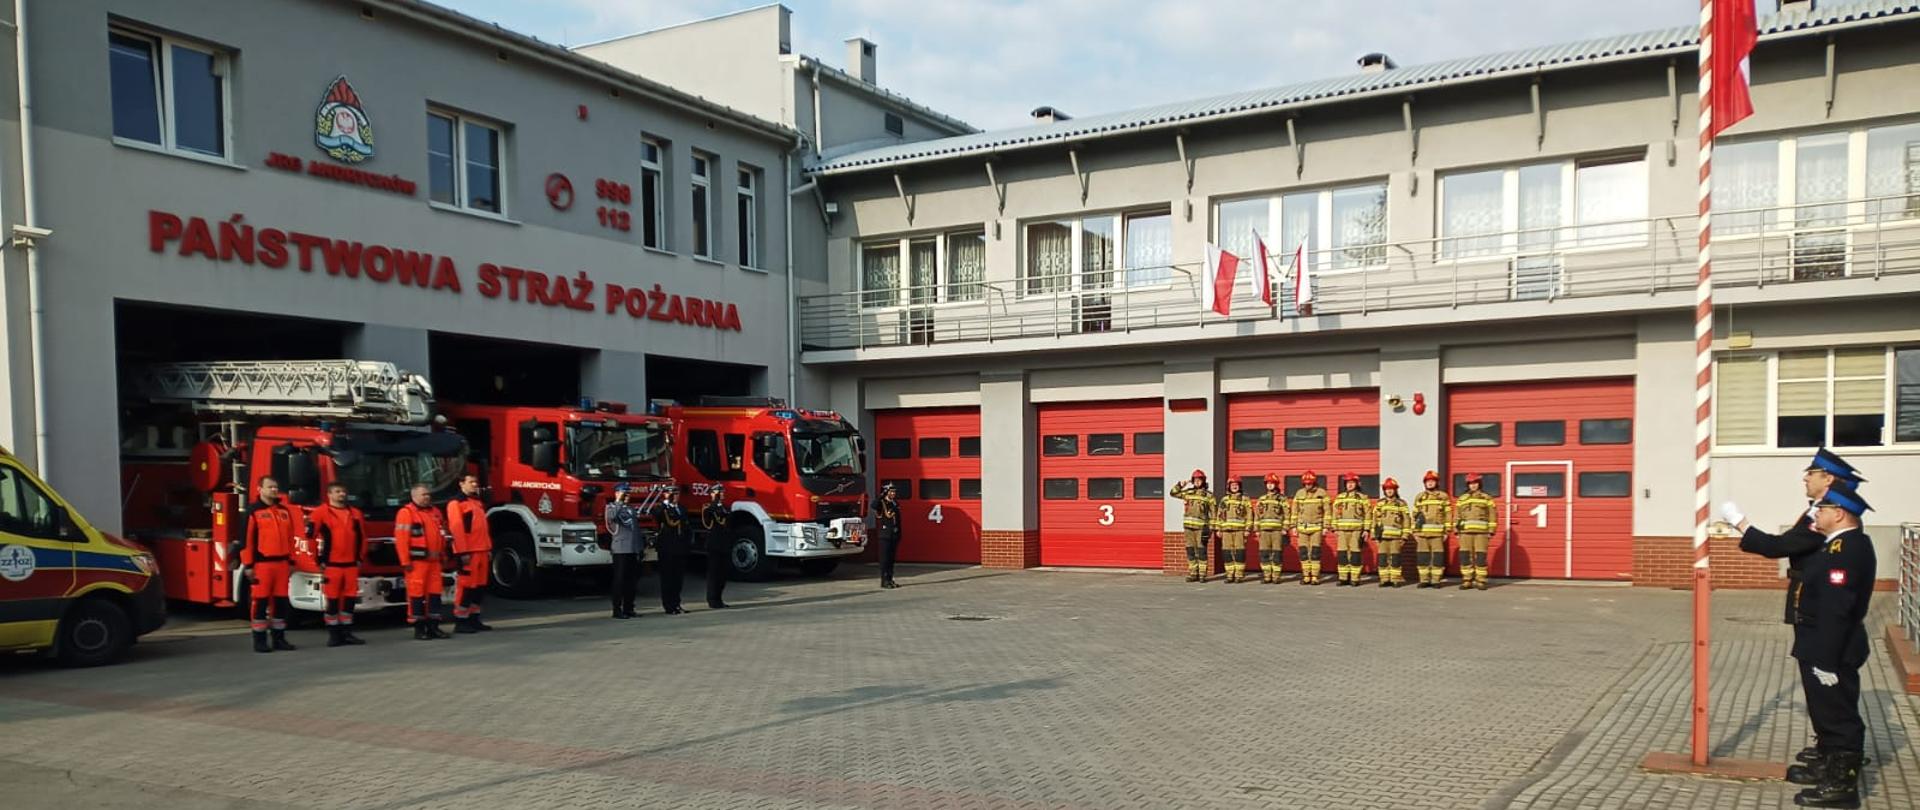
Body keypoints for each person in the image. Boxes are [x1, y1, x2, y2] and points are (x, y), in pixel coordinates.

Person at [1724, 447, 1868, 784]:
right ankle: (1831, 754)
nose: (1805, 478)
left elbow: (1780, 546)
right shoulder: (1822, 516)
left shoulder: (1834, 524)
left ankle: (1840, 764)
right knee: (1822, 694)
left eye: (1811, 473)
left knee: (1830, 695)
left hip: (1821, 616)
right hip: (1814, 612)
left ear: (1828, 479)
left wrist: (1740, 524)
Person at [1745, 484, 1875, 808]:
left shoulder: (1847, 549)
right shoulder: (1833, 546)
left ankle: (1841, 787)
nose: (1816, 513)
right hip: (1819, 643)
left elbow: (1837, 609)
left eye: (1822, 509)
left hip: (1833, 647)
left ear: (1839, 513)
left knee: (1838, 716)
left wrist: (1827, 660)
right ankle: (1827, 768)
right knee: (1824, 711)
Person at [242, 477, 303, 653]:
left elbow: (291, 539)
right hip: (262, 565)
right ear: (259, 489)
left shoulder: (284, 512)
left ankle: (279, 639)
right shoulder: (253, 512)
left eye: (276, 487)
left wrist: (292, 561)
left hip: (283, 564)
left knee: (281, 603)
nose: (274, 490)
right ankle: (259, 641)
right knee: (260, 603)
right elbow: (247, 541)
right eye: (270, 487)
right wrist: (248, 565)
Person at [306, 482, 367, 647]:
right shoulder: (320, 513)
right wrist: (317, 560)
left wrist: (360, 557)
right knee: (332, 601)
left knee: (349, 601)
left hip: (351, 565)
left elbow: (362, 537)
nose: (342, 494)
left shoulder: (355, 514)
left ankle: (347, 633)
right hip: (332, 565)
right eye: (338, 492)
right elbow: (310, 537)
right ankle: (334, 635)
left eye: (344, 491)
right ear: (329, 495)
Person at [394, 483, 452, 640]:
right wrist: (405, 561)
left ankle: (434, 627)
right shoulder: (406, 513)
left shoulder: (435, 512)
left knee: (434, 595)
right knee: (416, 595)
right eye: (423, 495)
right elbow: (401, 540)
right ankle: (419, 629)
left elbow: (442, 535)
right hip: (416, 563)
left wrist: (443, 555)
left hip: (434, 563)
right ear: (414, 497)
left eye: (428, 494)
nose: (427, 497)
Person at [446, 473, 493, 633]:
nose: (474, 484)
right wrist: (462, 552)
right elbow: (457, 530)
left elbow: (483, 529)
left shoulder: (477, 502)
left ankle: (474, 619)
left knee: (479, 588)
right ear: (461, 484)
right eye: (471, 482)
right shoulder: (456, 503)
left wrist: (488, 548)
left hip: (481, 551)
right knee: (466, 587)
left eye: (475, 482)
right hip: (469, 552)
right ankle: (461, 621)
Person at [650, 486, 691, 613]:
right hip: (667, 548)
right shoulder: (662, 508)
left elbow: (686, 527)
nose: (676, 496)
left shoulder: (681, 508)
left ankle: (677, 603)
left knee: (678, 578)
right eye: (673, 493)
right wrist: (665, 502)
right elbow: (655, 514)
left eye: (677, 493)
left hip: (679, 547)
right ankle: (669, 606)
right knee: (667, 578)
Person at [1169, 470, 1215, 582]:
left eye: (1200, 480)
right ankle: (1193, 573)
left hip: (1201, 528)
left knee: (1201, 551)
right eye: (1195, 480)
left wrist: (1212, 528)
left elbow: (1213, 513)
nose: (1197, 482)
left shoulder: (1209, 495)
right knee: (1190, 551)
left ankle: (1202, 574)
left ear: (1203, 481)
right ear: (1193, 481)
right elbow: (1173, 493)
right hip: (1188, 527)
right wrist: (1181, 485)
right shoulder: (1188, 493)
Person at [1454, 473, 1498, 591]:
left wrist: (1491, 531)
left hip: (1481, 533)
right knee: (1465, 557)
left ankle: (1481, 580)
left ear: (1479, 484)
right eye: (1471, 484)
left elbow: (1492, 515)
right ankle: (1467, 580)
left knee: (1480, 557)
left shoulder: (1486, 498)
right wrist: (1456, 530)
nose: (1473, 486)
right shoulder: (1462, 499)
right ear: (1468, 485)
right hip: (1465, 533)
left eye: (1475, 483)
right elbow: (1457, 515)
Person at [605, 484, 642, 619]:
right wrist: (619, 501)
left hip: (632, 548)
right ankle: (617, 609)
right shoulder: (611, 507)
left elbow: (635, 530)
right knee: (619, 580)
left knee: (631, 580)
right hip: (620, 548)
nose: (627, 496)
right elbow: (612, 518)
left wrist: (639, 547)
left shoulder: (631, 509)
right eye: (624, 493)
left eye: (628, 494)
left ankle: (629, 608)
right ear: (617, 493)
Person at [1411, 471, 1453, 588]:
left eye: (1432, 481)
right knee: (1422, 557)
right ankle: (1424, 580)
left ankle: (1436, 580)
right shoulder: (1419, 497)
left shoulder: (1443, 496)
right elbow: (1414, 515)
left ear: (1436, 482)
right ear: (1425, 483)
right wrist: (1414, 531)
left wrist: (1447, 531)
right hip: (1422, 534)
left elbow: (1448, 514)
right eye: (1428, 481)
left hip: (1437, 534)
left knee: (1437, 557)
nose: (1430, 483)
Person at [1330, 473, 1371, 586]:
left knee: (1355, 554)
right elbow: (1334, 514)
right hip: (1342, 530)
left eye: (1352, 483)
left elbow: (1367, 514)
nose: (1350, 485)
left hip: (1356, 530)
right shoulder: (1340, 497)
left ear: (1357, 484)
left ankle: (1354, 578)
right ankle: (1343, 578)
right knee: (1342, 554)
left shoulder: (1363, 498)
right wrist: (1335, 528)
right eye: (1348, 483)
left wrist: (1366, 530)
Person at [1290, 471, 1330, 585]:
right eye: (1306, 483)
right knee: (1303, 553)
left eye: (1310, 483)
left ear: (1314, 482)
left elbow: (1327, 511)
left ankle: (1315, 576)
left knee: (1315, 553)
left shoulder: (1322, 493)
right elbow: (1295, 511)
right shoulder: (1299, 493)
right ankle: (1306, 575)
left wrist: (1326, 526)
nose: (1308, 485)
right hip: (1302, 528)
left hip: (1316, 528)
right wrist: (1293, 526)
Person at [1371, 478, 1411, 588]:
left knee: (1395, 558)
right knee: (1383, 558)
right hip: (1382, 537)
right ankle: (1384, 579)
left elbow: (1407, 520)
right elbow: (1374, 519)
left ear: (1395, 490)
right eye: (1387, 489)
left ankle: (1395, 579)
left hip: (1396, 537)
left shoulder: (1401, 504)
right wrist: (1374, 536)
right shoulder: (1380, 503)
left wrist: (1405, 536)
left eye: (1392, 489)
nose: (1389, 491)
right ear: (1384, 491)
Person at [1214, 479, 1252, 583]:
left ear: (1239, 486)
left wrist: (1247, 529)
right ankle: (1230, 575)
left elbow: (1249, 515)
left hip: (1240, 530)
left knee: (1239, 552)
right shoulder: (1224, 500)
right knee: (1227, 553)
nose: (1234, 487)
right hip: (1226, 531)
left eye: (1236, 485)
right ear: (1229, 487)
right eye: (1232, 485)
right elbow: (1220, 514)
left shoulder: (1245, 499)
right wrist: (1218, 528)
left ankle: (1239, 575)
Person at [1254, 474, 1289, 584]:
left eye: (1272, 483)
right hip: (1264, 531)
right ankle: (1267, 576)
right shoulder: (1262, 499)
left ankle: (1276, 576)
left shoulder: (1282, 499)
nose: (1269, 485)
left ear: (1276, 484)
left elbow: (1287, 514)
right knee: (1264, 553)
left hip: (1277, 531)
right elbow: (1257, 515)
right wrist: (1257, 529)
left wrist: (1285, 528)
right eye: (1268, 483)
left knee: (1277, 554)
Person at [701, 499, 731, 608]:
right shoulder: (708, 508)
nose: (720, 494)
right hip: (714, 544)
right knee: (714, 574)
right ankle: (712, 600)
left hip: (724, 543)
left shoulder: (725, 507)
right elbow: (707, 524)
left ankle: (719, 598)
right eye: (717, 492)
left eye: (721, 492)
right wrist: (712, 508)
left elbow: (729, 522)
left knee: (722, 575)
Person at [873, 482, 903, 589]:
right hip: (885, 536)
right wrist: (881, 495)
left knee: (891, 559)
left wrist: (899, 533)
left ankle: (890, 579)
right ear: (886, 492)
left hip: (894, 535)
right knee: (884, 559)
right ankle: (884, 580)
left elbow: (898, 520)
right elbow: (874, 505)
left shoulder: (895, 503)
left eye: (894, 492)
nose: (893, 494)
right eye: (891, 491)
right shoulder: (882, 503)